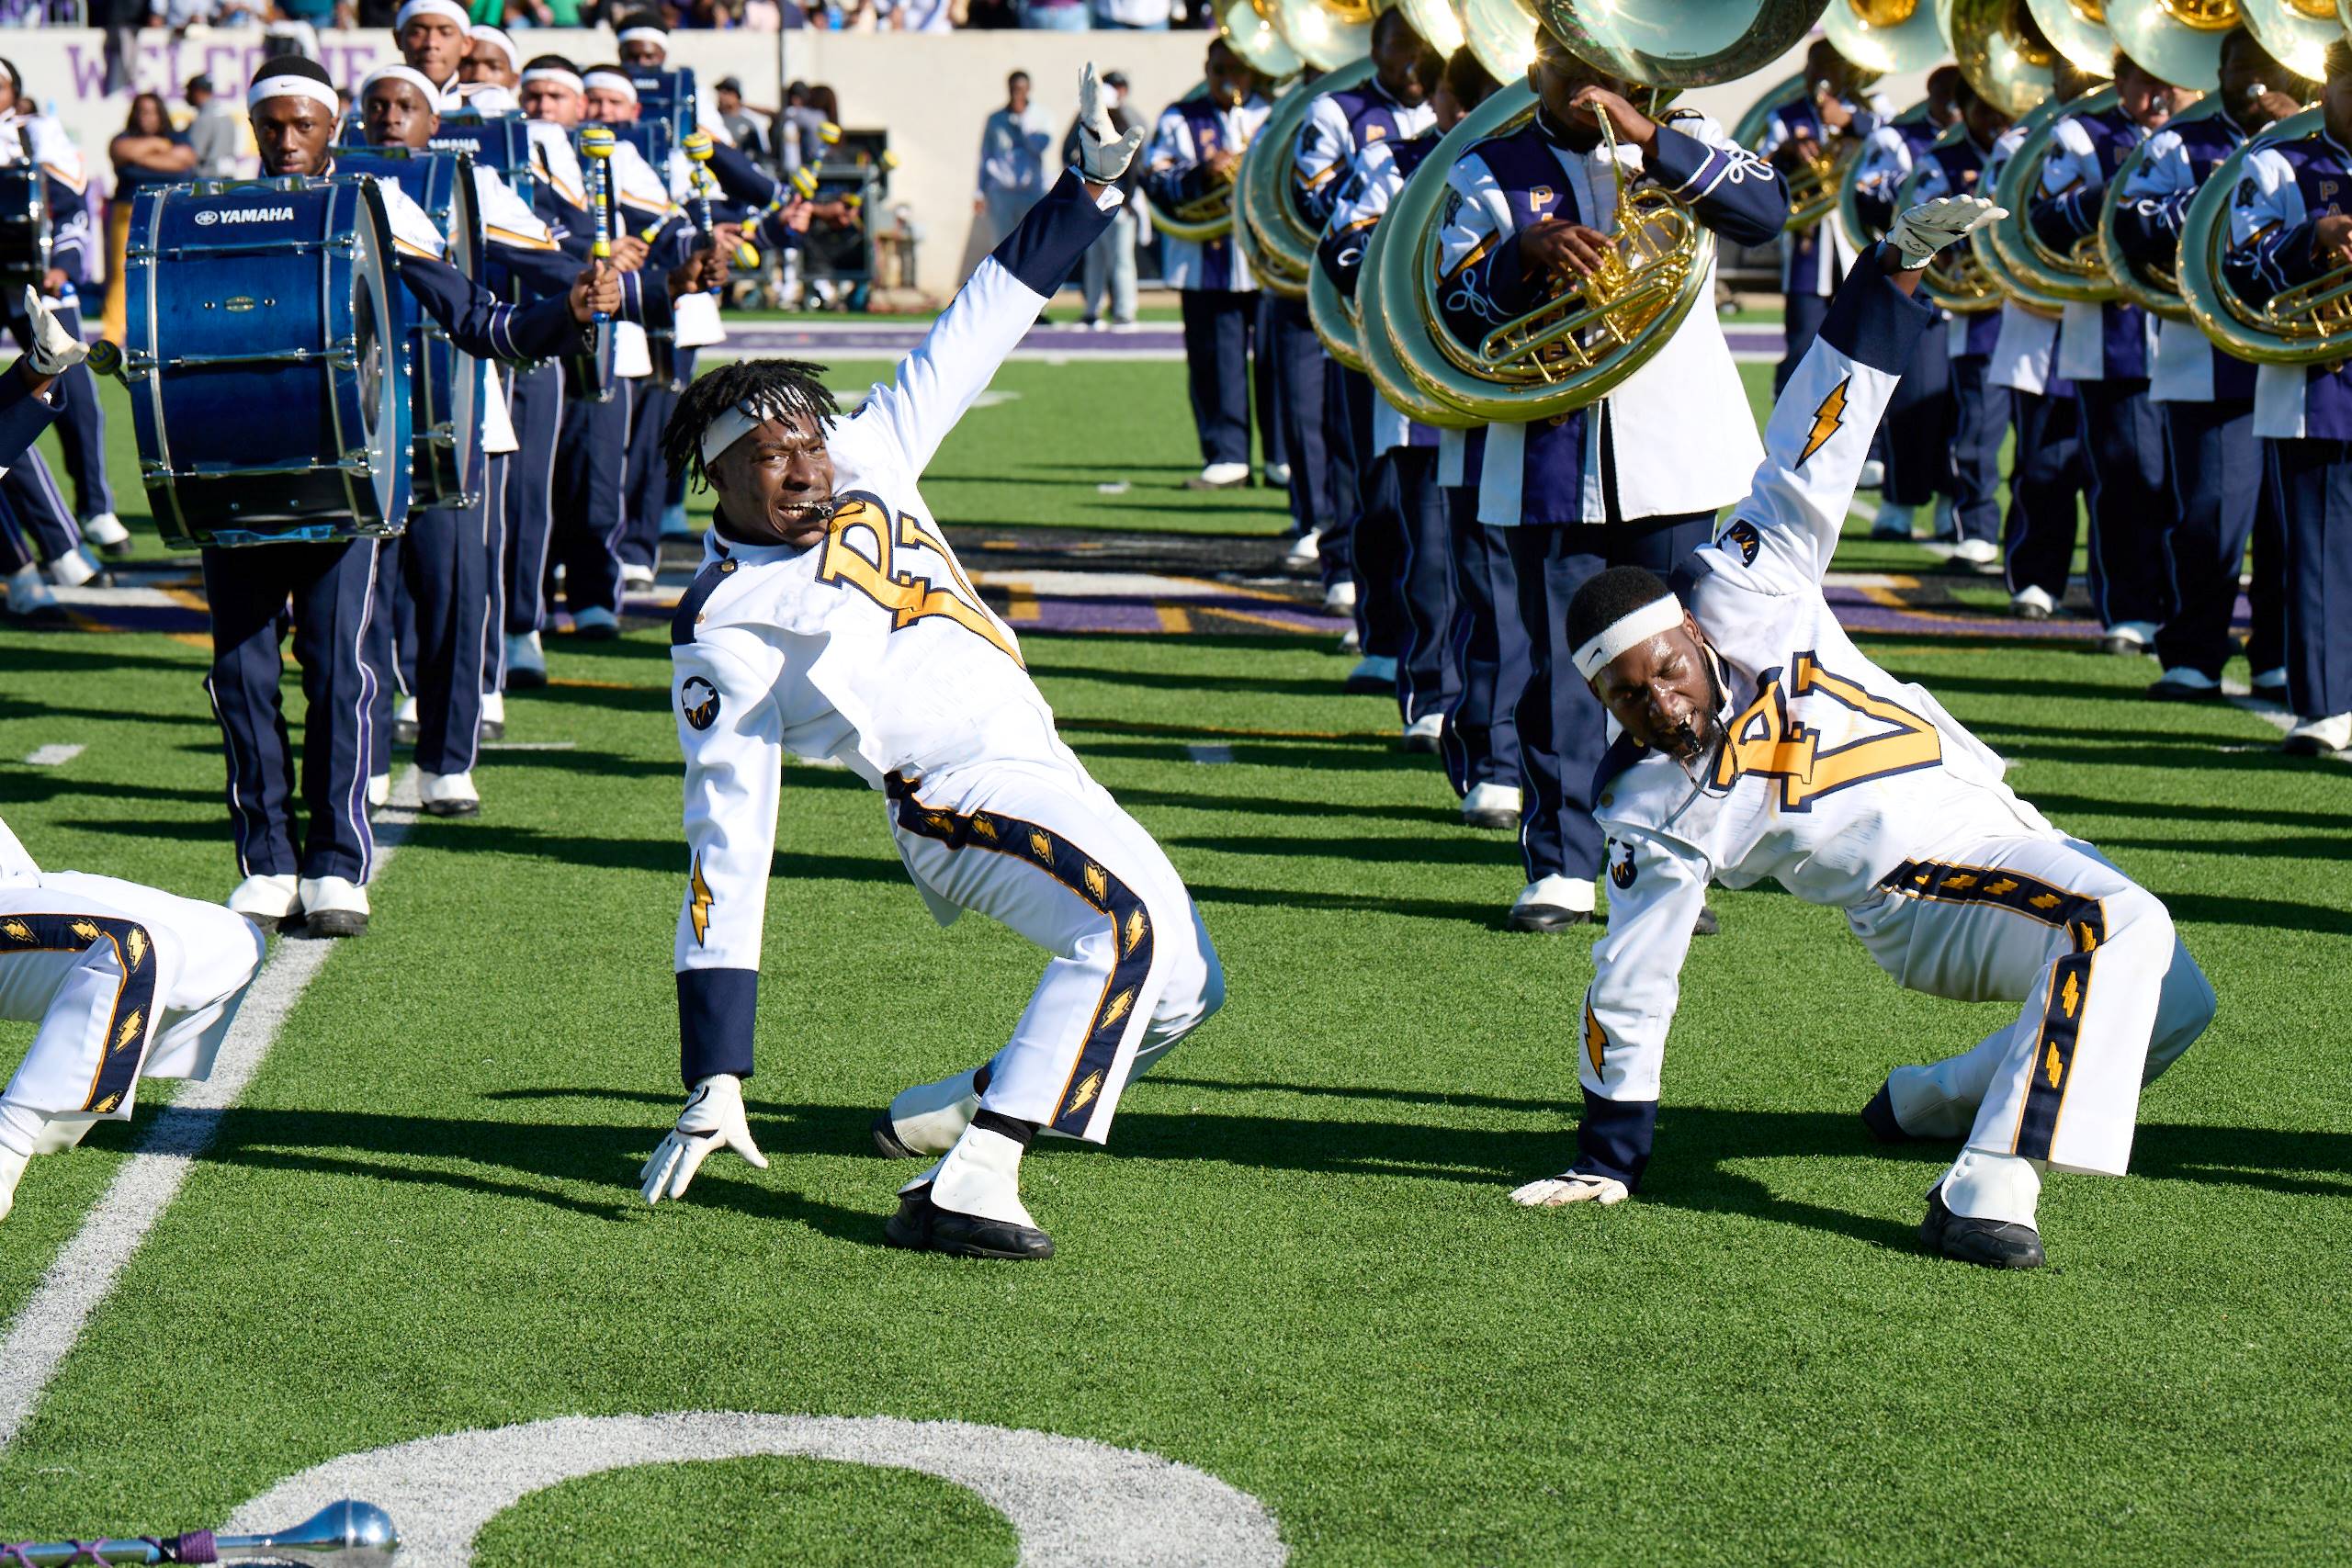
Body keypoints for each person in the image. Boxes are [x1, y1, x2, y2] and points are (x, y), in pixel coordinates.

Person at [1511, 194, 2217, 1271]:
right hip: (1918, 891)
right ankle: (1982, 1190)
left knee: (2177, 999)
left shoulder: (1752, 583)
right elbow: (1632, 973)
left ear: (1691, 633)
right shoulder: (1649, 808)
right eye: (1625, 702)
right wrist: (1610, 1153)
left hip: (1990, 823)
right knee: (2119, 924)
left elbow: (1807, 452)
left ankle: (1929, 1099)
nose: (1656, 705)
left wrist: (1886, 276)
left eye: (1658, 673)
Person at [638, 67, 1223, 1263]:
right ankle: (971, 1178)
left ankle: (943, 1109)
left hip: (1033, 752)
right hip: (948, 795)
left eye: (810, 439)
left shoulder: (871, 450)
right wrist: (716, 1069)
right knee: (1121, 936)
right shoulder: (723, 623)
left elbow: (983, 316)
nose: (807, 470)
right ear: (719, 476)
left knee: (1182, 985)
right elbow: (726, 842)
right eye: (774, 457)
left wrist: (1089, 188)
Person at [208, 55, 620, 938]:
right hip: (237, 469)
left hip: (346, 466)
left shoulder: (375, 207)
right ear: (254, 130)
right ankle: (266, 856)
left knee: (337, 666)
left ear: (332, 131)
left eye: (302, 125)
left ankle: (334, 862)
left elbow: (477, 320)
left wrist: (568, 311)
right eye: (271, 125)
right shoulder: (212, 214)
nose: (286, 140)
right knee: (240, 673)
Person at [1436, 31, 1785, 931]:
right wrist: (1521, 257)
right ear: (1533, 72)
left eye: (1612, 72)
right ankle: (1561, 865)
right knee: (1561, 665)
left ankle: (1667, 854)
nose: (1593, 88)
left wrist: (1648, 134)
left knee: (1679, 669)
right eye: (1572, 70)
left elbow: (1766, 212)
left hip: (1675, 445)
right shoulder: (1488, 168)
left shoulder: (1690, 132)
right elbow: (1447, 308)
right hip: (1548, 450)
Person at [1317, 46, 1498, 750]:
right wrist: (1421, 285)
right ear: (1446, 105)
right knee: (1423, 545)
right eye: (1463, 100)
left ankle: (1485, 715)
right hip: (1417, 387)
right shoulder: (1391, 161)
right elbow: (1341, 247)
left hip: (1498, 390)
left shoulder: (1518, 167)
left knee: (1488, 564)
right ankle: (1431, 690)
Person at [2111, 28, 2298, 704]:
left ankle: (2279, 652)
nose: (2253, 78)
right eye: (2240, 65)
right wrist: (2231, 186)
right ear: (2218, 69)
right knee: (2210, 514)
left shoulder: (2310, 142)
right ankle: (2194, 652)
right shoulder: (2178, 145)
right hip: (2205, 356)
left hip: (2301, 359)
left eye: (2267, 65)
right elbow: (2130, 225)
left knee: (2288, 523)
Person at [0, 810, 267, 1224]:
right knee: (132, 949)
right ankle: (9, 1140)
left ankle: (65, 1108)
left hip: (17, 876)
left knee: (233, 941)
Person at [2222, 35, 2352, 755]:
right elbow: (2238, 269)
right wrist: (2314, 236)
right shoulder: (2276, 162)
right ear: (2327, 89)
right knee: (2321, 550)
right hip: (2315, 385)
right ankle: (2326, 705)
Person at [1295, 6, 1442, 644]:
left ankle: (1421, 627)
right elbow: (1312, 197)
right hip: (1363, 320)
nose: (1411, 61)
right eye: (1398, 47)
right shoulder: (1339, 111)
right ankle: (1371, 609)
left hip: (1444, 332)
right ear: (1375, 47)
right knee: (1373, 475)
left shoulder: (1461, 111)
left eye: (1422, 50)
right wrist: (1383, 199)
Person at [2030, 51, 2180, 657]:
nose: (2160, 92)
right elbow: (2043, 220)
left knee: (2182, 488)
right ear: (2119, 83)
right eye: (2145, 79)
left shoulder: (2198, 137)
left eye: (2166, 76)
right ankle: (2131, 607)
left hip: (2194, 338)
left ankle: (2177, 605)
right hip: (2116, 335)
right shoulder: (2080, 134)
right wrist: (2114, 197)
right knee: (2125, 478)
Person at [1876, 73, 2012, 565]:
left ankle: (1973, 517)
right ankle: (1951, 512)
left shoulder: (2023, 154)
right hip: (1957, 306)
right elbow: (1918, 219)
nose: (1996, 123)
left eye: (2003, 110)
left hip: (2014, 310)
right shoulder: (1942, 161)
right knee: (1941, 414)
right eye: (1985, 111)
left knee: (1994, 426)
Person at [0, 60, 127, 568]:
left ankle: (94, 507)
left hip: (38, 282)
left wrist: (63, 266)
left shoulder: (37, 135)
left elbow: (74, 207)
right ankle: (46, 550)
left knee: (74, 394)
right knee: (12, 407)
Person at [1984, 67, 2091, 623]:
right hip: (2044, 326)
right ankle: (2035, 577)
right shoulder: (2021, 142)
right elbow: (2001, 224)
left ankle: (2120, 590)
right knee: (2044, 463)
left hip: (2118, 326)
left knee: (2121, 473)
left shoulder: (2147, 137)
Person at [1143, 39, 1271, 490]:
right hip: (1204, 262)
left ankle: (1281, 457)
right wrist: (1204, 173)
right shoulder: (1180, 115)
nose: (1229, 79)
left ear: (1252, 71)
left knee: (1278, 364)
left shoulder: (1275, 115)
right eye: (1219, 69)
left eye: (1237, 70)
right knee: (1214, 361)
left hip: (1267, 262)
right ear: (1207, 69)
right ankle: (1227, 456)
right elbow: (1155, 179)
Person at [1848, 62, 1961, 544]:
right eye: (1950, 99)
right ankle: (1899, 498)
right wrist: (1924, 192)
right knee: (1913, 398)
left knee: (1965, 409)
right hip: (1924, 286)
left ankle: (1953, 504)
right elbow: (1867, 194)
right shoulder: (1902, 138)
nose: (1957, 110)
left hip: (1986, 297)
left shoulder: (2005, 142)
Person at [1758, 39, 1888, 393]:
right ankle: (1789, 431)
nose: (1819, 77)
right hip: (1809, 243)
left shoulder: (1872, 107)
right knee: (1802, 343)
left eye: (1828, 68)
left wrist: (1848, 120)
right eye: (1814, 67)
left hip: (1857, 236)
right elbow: (1760, 168)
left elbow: (1892, 141)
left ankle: (1870, 440)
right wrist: (1788, 152)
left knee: (1861, 342)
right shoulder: (1787, 115)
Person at [1061, 67, 1139, 327]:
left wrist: (1127, 200)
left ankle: (1124, 311)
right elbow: (1067, 151)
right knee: (1095, 259)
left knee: (1121, 260)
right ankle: (1093, 310)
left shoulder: (1124, 122)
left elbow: (1134, 166)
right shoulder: (1084, 124)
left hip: (1118, 202)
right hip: (1092, 201)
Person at [977, 70, 1056, 249]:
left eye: (1021, 89)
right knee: (1002, 247)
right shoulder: (995, 119)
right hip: (1001, 192)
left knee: (1031, 245)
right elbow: (985, 156)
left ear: (1029, 89)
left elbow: (1039, 147)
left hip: (1031, 191)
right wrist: (979, 192)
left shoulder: (1042, 117)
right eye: (1014, 88)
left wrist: (1023, 119)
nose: (1017, 93)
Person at [185, 73, 243, 179]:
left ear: (197, 92)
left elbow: (192, 155)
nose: (186, 95)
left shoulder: (204, 118)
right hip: (228, 177)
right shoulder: (226, 115)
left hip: (208, 180)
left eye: (189, 91)